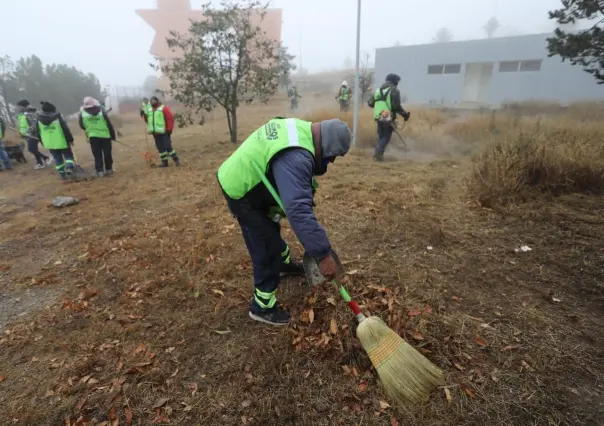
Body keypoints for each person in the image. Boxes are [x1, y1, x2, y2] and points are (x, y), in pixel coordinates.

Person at [217, 117, 351, 326]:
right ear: (325, 145)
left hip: (254, 175)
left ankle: (283, 264)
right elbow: (298, 210)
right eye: (332, 156)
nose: (331, 161)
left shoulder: (301, 129)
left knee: (270, 226)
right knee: (265, 243)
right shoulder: (296, 157)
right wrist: (323, 254)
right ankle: (262, 307)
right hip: (241, 188)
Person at [368, 73, 411, 161]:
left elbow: (370, 103)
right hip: (388, 116)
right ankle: (377, 153)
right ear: (394, 81)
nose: (397, 83)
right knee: (386, 136)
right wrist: (405, 115)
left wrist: (380, 105)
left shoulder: (378, 90)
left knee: (382, 135)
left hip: (378, 116)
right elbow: (396, 106)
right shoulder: (394, 90)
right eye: (397, 81)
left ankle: (379, 156)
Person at [32, 101, 76, 180]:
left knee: (57, 158)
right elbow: (65, 129)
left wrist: (42, 141)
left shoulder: (38, 120)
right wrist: (70, 139)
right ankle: (69, 168)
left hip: (50, 143)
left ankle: (62, 174)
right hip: (62, 141)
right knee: (68, 156)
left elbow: (37, 132)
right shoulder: (58, 117)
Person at [79, 97, 116, 177]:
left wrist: (90, 128)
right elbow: (109, 124)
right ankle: (109, 169)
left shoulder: (82, 113)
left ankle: (100, 171)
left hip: (93, 136)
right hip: (105, 136)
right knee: (107, 153)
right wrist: (113, 135)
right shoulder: (101, 111)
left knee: (97, 154)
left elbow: (82, 125)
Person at [16, 100, 52, 169]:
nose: (19, 108)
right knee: (34, 149)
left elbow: (34, 124)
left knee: (31, 149)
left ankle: (46, 157)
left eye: (20, 106)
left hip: (33, 134)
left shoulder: (30, 112)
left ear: (24, 106)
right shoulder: (23, 113)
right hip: (28, 135)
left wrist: (28, 132)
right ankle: (40, 163)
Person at [147, 96, 180, 167]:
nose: (153, 102)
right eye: (151, 101)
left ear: (157, 101)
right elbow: (149, 120)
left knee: (167, 146)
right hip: (155, 133)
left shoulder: (164, 108)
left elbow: (170, 118)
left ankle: (176, 159)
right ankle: (164, 162)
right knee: (160, 148)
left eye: (154, 101)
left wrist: (169, 129)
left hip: (165, 131)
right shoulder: (150, 110)